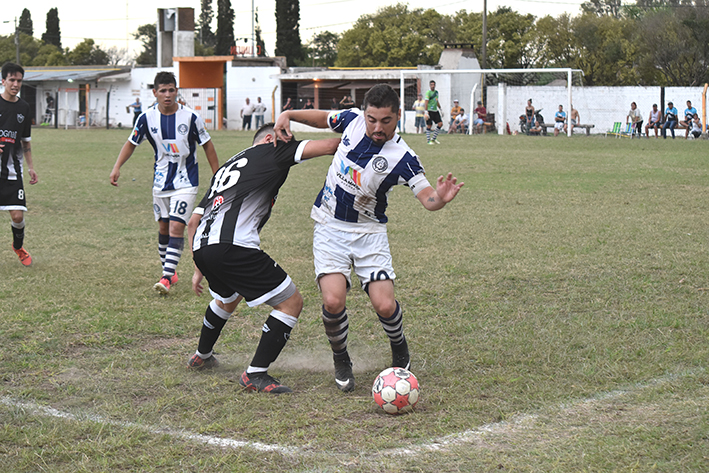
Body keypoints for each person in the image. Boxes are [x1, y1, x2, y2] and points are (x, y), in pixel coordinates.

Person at [274, 84, 464, 393]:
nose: (377, 127)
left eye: (385, 121)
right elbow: (323, 118)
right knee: (333, 300)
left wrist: (440, 199)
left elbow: (427, 197)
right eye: (372, 119)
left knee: (385, 305)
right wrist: (289, 114)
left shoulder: (404, 157)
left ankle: (399, 348)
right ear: (365, 113)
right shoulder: (351, 120)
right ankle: (341, 358)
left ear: (398, 116)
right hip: (329, 226)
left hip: (369, 233)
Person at [186, 124, 340, 394]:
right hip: (232, 247)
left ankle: (202, 356)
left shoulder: (227, 167)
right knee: (291, 302)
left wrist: (199, 265)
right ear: (270, 138)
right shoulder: (273, 151)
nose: (289, 141)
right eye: (284, 136)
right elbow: (330, 146)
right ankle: (255, 374)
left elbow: (193, 221)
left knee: (227, 298)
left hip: (203, 246)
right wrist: (366, 132)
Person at [109, 71, 220, 294]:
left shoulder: (190, 117)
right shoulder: (146, 118)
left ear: (176, 91)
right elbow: (131, 143)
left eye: (171, 90)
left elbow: (207, 145)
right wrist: (117, 166)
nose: (167, 95)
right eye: (163, 91)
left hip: (187, 180)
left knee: (176, 226)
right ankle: (170, 269)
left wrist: (217, 176)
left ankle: (167, 277)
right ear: (155, 93)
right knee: (163, 227)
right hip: (160, 181)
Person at [0, 62, 38, 266]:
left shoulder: (24, 107)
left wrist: (31, 167)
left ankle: (18, 247)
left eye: (19, 81)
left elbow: (25, 141)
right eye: (12, 80)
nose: (15, 84)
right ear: (3, 80)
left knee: (17, 215)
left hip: (12, 170)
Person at [424, 80, 444, 145]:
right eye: (431, 85)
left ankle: (434, 138)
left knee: (440, 124)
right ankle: (428, 140)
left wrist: (440, 109)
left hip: (435, 110)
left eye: (434, 85)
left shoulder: (436, 92)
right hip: (430, 110)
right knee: (429, 125)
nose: (433, 86)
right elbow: (426, 102)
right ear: (430, 85)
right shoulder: (428, 92)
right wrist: (426, 111)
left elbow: (436, 101)